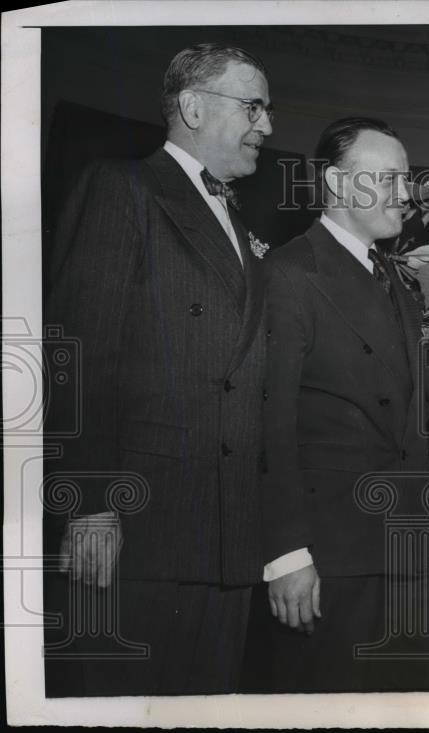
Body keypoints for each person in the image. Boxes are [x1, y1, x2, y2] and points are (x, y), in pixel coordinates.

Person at [44, 43, 274, 695]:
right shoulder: (121, 188)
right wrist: (89, 505)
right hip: (136, 532)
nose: (268, 125)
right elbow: (78, 355)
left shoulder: (239, 217)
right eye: (254, 106)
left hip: (229, 544)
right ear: (194, 107)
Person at [261, 117, 429, 691]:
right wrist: (285, 554)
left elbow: (397, 403)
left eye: (408, 177)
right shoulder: (288, 273)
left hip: (409, 554)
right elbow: (265, 426)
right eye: (390, 178)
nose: (408, 192)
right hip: (332, 563)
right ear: (338, 185)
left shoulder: (392, 281)